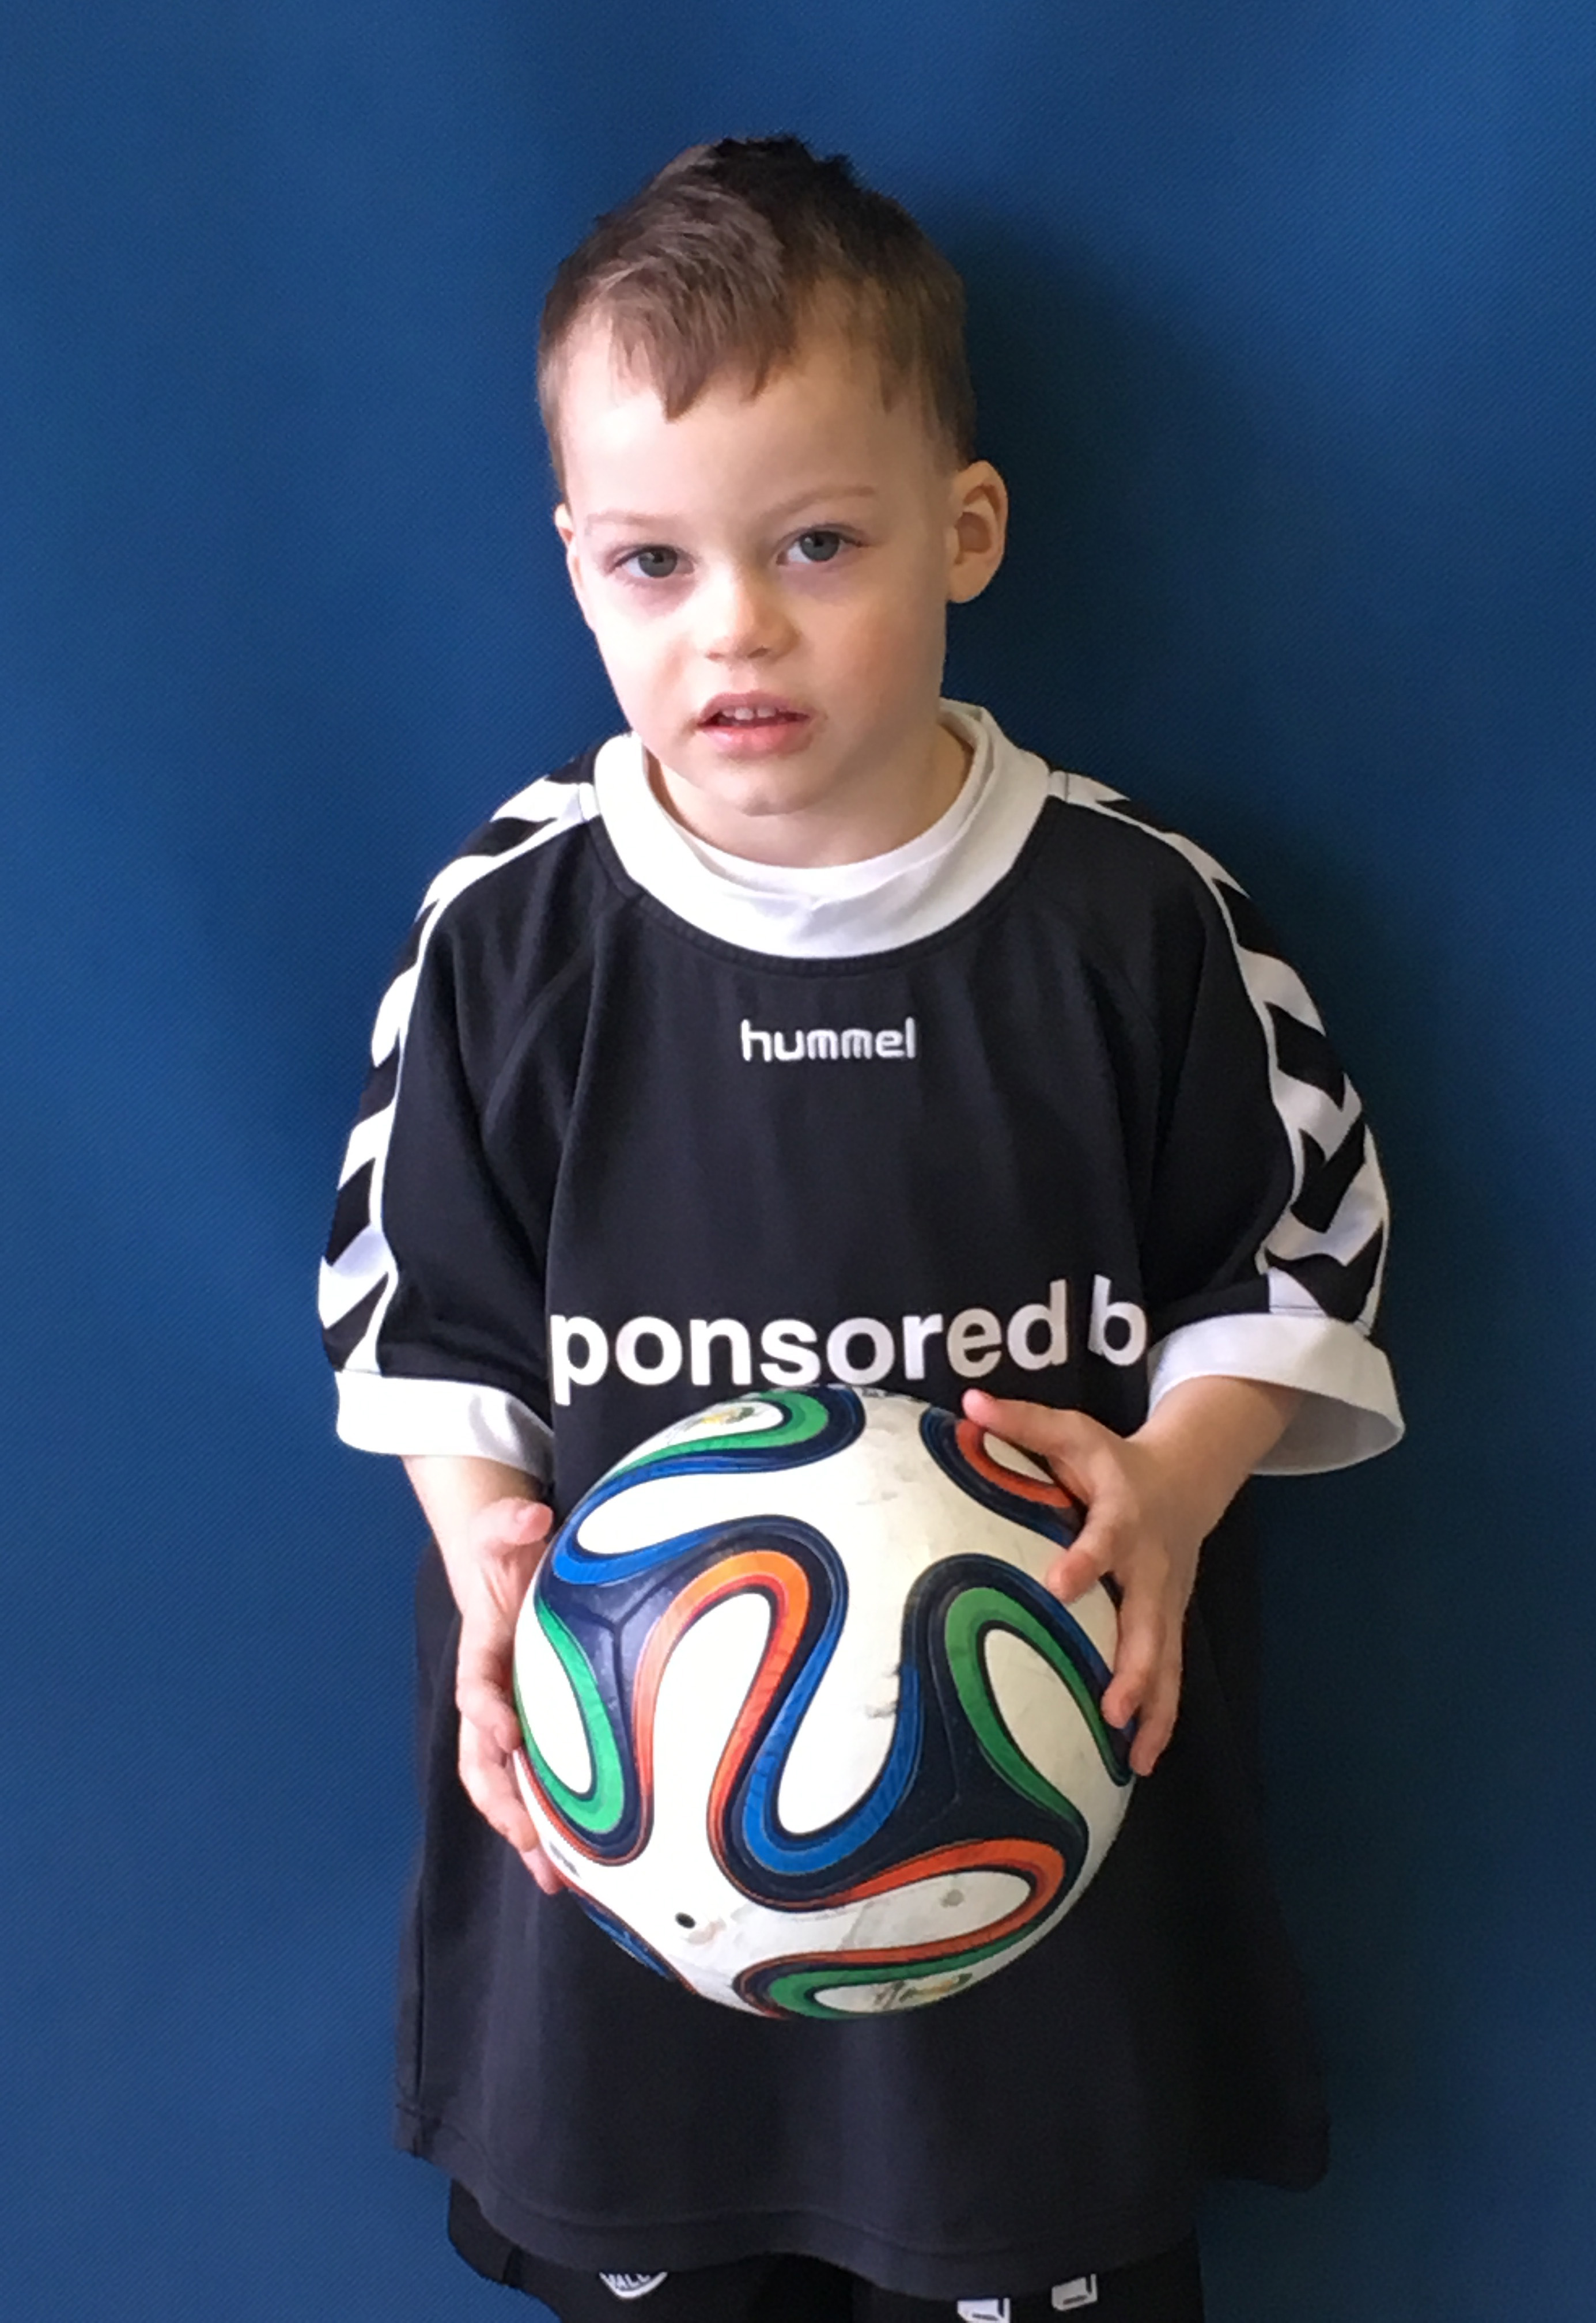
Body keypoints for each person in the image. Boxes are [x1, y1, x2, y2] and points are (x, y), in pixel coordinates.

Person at [319, 135, 1401, 2323]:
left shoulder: (1136, 916)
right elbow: (414, 1323)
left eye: (817, 542)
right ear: (575, 567)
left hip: (1025, 1898)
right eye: (653, 562)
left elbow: (1299, 1263)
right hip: (629, 1909)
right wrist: (486, 1546)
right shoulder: (508, 933)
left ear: (965, 531)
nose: (736, 626)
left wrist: (1176, 1482)